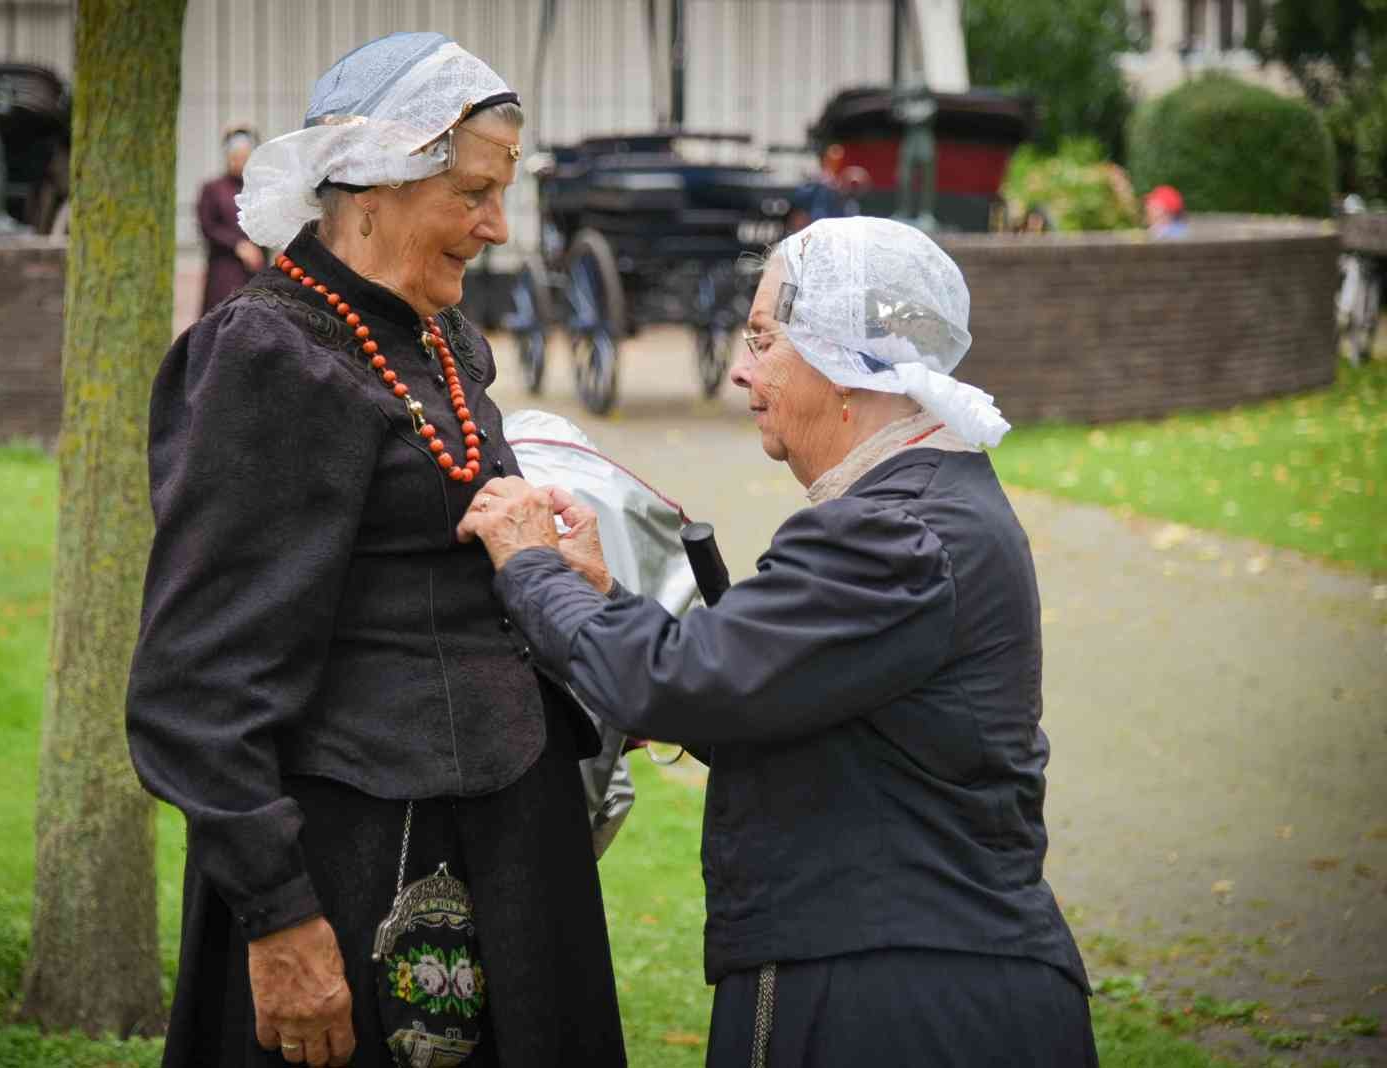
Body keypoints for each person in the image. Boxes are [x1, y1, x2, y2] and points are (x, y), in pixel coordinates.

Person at [458, 217, 1097, 1067]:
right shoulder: (926, 506)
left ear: (843, 363)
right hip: (924, 973)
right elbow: (757, 697)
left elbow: (682, 685)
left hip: (895, 1001)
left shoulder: (893, 535)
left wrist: (532, 567)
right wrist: (603, 594)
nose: (741, 369)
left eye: (763, 339)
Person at [127, 32, 625, 1068]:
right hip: (356, 852)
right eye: (473, 194)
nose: (496, 227)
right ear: (370, 188)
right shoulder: (270, 356)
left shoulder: (437, 336)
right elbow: (196, 679)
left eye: (502, 194)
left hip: (502, 832)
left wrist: (537, 558)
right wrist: (277, 911)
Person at [197, 125, 265, 313]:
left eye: (245, 157)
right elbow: (208, 226)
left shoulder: (260, 189)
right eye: (236, 157)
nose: (240, 162)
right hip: (224, 270)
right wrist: (238, 245)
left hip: (255, 271)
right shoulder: (213, 189)